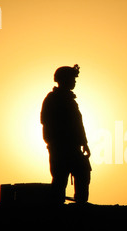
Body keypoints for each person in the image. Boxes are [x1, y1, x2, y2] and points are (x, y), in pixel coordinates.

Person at [40, 64, 91, 205]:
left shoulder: (69, 100)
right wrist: (59, 143)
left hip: (72, 148)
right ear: (64, 80)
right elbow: (47, 122)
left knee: (82, 172)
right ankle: (57, 206)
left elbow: (78, 125)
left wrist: (84, 143)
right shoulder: (54, 99)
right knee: (60, 178)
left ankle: (80, 204)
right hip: (60, 149)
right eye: (72, 79)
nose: (74, 82)